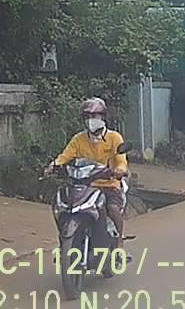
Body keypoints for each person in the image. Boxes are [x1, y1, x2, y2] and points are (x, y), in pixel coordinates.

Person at [44, 97, 129, 241]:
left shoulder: (114, 138)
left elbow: (121, 161)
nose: (91, 120)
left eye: (94, 115)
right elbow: (65, 156)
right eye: (87, 116)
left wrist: (120, 170)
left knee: (113, 209)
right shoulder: (79, 139)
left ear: (103, 116)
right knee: (62, 206)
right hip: (85, 186)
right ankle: (65, 239)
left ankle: (119, 240)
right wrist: (53, 165)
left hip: (109, 185)